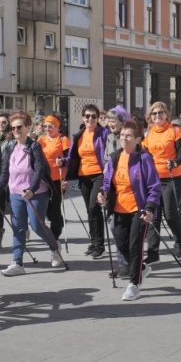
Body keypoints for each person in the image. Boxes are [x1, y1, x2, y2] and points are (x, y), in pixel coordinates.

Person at [98, 119, 163, 301]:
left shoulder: (144, 158)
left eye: (128, 136)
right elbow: (107, 181)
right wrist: (103, 194)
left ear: (137, 139)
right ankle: (141, 268)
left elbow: (154, 186)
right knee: (121, 243)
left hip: (139, 210)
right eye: (122, 135)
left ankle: (134, 284)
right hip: (119, 209)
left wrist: (150, 207)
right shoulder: (114, 157)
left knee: (135, 247)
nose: (124, 139)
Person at [0, 112, 65, 275]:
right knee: (18, 228)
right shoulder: (9, 147)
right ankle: (17, 262)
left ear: (27, 127)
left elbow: (40, 169)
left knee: (36, 225)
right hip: (15, 193)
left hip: (36, 192)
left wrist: (32, 189)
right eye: (13, 128)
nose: (16, 130)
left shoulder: (34, 146)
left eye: (19, 127)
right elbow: (5, 171)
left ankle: (54, 247)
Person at [142, 102, 181, 257]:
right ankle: (153, 251)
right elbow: (144, 155)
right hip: (153, 179)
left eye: (161, 112)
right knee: (154, 216)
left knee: (170, 214)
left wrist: (174, 162)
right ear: (150, 117)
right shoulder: (149, 134)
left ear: (166, 115)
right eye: (154, 113)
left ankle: (180, 242)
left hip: (171, 178)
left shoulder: (175, 131)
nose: (158, 116)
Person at [66, 104, 109, 257]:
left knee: (94, 207)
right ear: (83, 118)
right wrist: (63, 162)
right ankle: (94, 242)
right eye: (87, 116)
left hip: (99, 174)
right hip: (83, 175)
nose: (90, 119)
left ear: (98, 118)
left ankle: (100, 246)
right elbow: (73, 156)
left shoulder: (104, 133)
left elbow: (109, 153)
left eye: (93, 116)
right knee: (89, 210)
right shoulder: (79, 135)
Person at [37, 114, 72, 242]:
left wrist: (62, 161)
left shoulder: (63, 139)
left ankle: (54, 234)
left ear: (57, 127)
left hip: (58, 178)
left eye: (50, 126)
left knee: (55, 206)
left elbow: (70, 159)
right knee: (46, 207)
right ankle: (59, 222)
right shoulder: (40, 139)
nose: (47, 128)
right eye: (45, 126)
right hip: (43, 178)